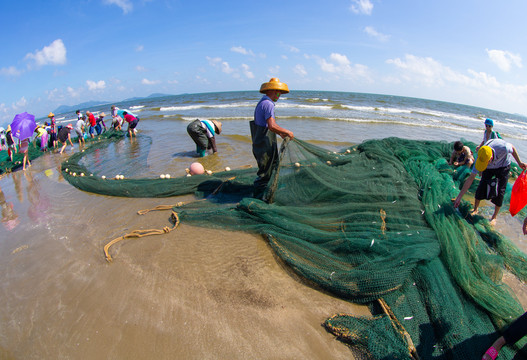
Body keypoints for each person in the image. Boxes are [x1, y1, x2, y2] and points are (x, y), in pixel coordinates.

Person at [453, 138, 526, 225]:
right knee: (482, 185)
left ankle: (494, 217)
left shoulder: (503, 148)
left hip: (503, 166)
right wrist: (459, 197)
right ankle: (475, 209)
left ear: (490, 158)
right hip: (490, 168)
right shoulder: (480, 156)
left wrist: (519, 163)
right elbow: (470, 178)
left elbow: (513, 148)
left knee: (500, 191)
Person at [250, 78, 294, 200]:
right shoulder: (268, 104)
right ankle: (258, 199)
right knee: (265, 173)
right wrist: (287, 132)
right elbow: (271, 125)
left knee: (269, 167)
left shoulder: (262, 102)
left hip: (260, 142)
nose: (279, 95)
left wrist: (279, 133)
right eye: (278, 92)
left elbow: (265, 125)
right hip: (264, 144)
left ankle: (264, 195)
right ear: (272, 91)